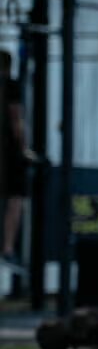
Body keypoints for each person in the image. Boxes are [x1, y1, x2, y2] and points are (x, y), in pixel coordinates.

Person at [1, 51, 26, 274]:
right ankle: (7, 248)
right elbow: (16, 121)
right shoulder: (10, 85)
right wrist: (24, 149)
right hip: (8, 152)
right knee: (16, 199)